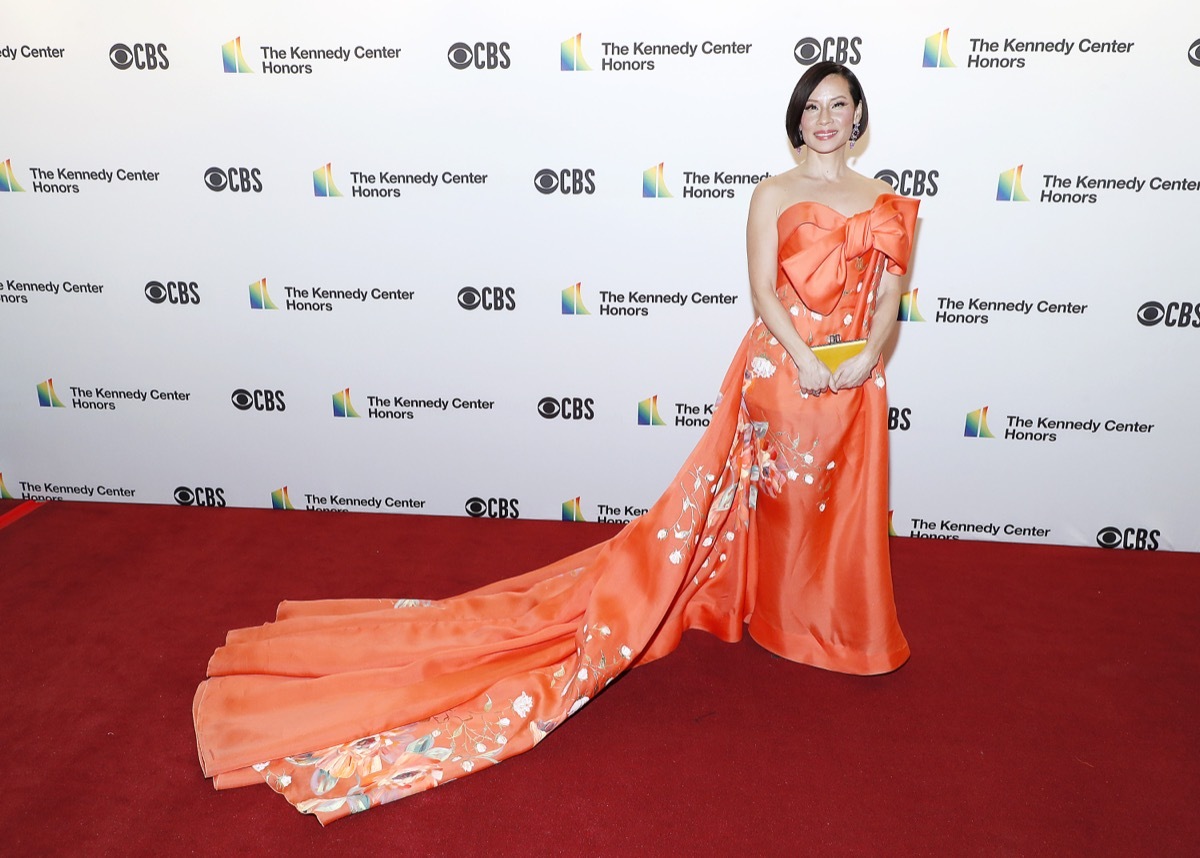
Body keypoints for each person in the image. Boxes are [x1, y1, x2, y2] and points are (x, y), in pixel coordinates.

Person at [192, 62, 918, 823]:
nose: (826, 119)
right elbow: (764, 293)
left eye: (840, 105)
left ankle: (826, 622)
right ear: (797, 120)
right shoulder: (772, 193)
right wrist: (803, 357)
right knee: (764, 502)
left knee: (834, 507)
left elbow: (889, 299)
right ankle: (769, 613)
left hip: (855, 374)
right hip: (782, 368)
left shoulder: (885, 201)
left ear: (860, 114)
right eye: (813, 108)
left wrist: (870, 353)